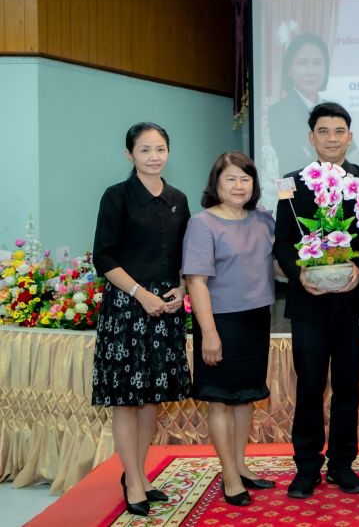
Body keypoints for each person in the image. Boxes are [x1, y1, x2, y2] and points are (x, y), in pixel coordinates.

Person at [274, 102, 359, 498]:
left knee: (348, 387)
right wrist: (299, 274)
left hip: (354, 303)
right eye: (323, 131)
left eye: (339, 131)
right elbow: (282, 241)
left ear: (350, 137)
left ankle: (341, 464)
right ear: (311, 137)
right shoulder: (290, 183)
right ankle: (306, 466)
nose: (332, 138)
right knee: (310, 386)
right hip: (310, 303)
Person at [92, 122, 191, 516]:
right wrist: (140, 294)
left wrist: (182, 288)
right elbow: (103, 257)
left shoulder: (178, 198)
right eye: (145, 150)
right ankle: (132, 480)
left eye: (160, 149)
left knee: (152, 398)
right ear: (129, 154)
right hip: (126, 308)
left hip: (165, 309)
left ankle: (142, 475)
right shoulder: (116, 196)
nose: (154, 157)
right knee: (126, 401)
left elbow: (186, 254)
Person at [182, 152, 277, 507]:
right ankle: (229, 475)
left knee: (245, 397)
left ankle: (240, 465)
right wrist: (209, 333)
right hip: (221, 321)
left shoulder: (263, 219)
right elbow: (196, 281)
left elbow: (276, 266)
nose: (239, 186)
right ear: (216, 184)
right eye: (231, 179)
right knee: (221, 400)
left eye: (245, 179)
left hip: (257, 319)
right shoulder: (202, 223)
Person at [268, 33, 359, 173]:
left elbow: (355, 157)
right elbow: (291, 160)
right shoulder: (279, 111)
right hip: (299, 185)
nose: (311, 71)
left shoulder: (334, 110)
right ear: (289, 70)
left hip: (343, 185)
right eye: (303, 63)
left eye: (317, 63)